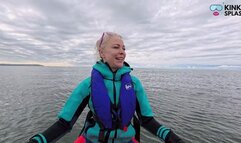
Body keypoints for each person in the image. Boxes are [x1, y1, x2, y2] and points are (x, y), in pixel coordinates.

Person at [27, 32, 185, 143]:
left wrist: (174, 139)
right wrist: (37, 141)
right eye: (116, 47)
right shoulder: (87, 85)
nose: (122, 52)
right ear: (102, 52)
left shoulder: (134, 84)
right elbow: (64, 124)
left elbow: (147, 120)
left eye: (124, 48)